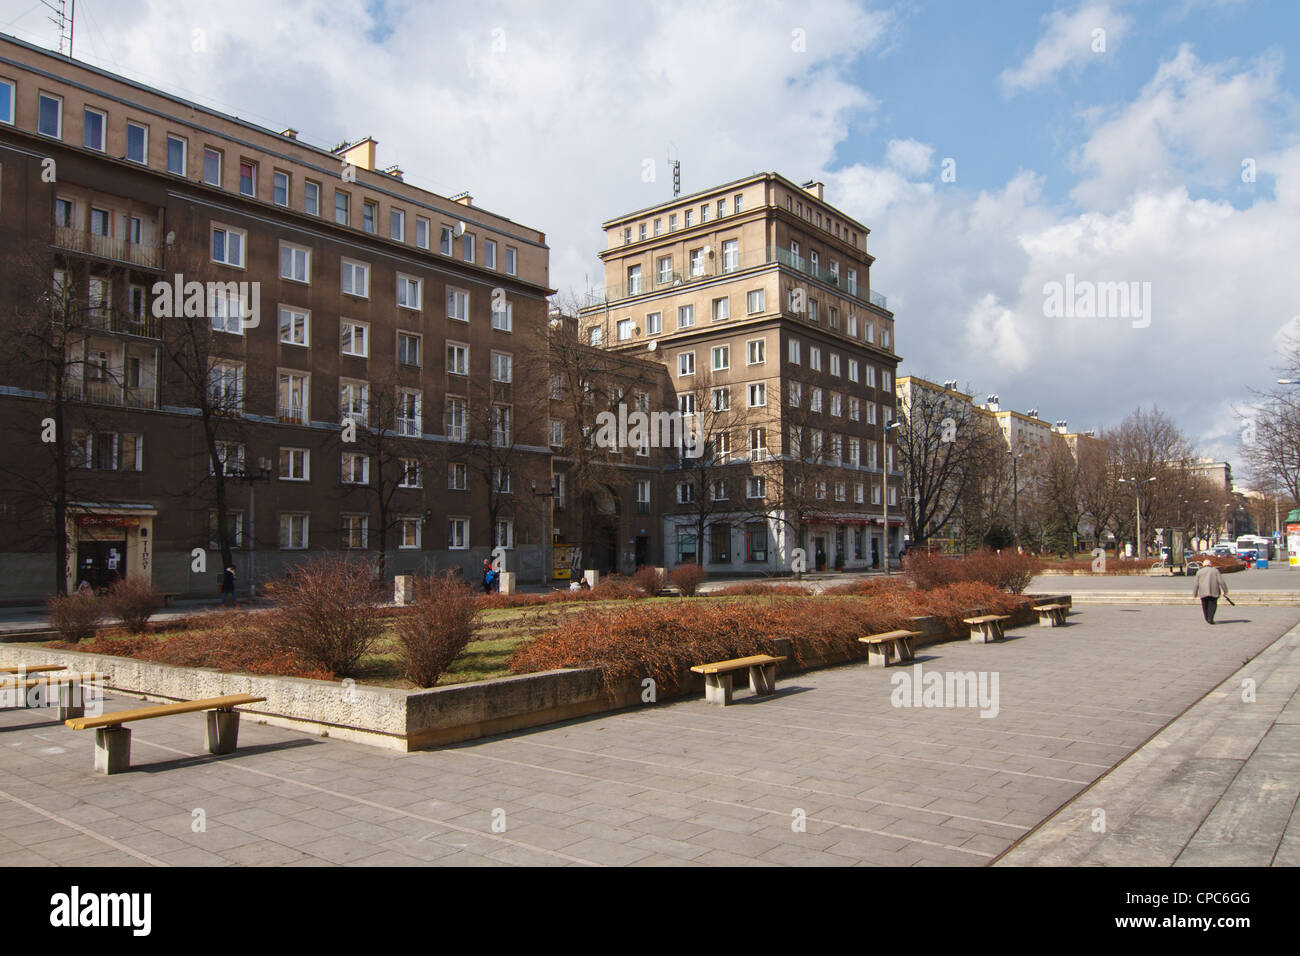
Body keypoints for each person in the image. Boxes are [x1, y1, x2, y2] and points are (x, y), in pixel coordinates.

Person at [1192, 559, 1229, 625]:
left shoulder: (1199, 572)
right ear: (1210, 564)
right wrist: (1225, 590)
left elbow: (1196, 584)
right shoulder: (1215, 571)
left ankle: (1206, 617)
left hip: (1203, 592)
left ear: (1203, 565)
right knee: (1212, 605)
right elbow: (1221, 581)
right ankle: (1210, 618)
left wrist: (1195, 593)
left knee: (1205, 605)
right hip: (1213, 591)